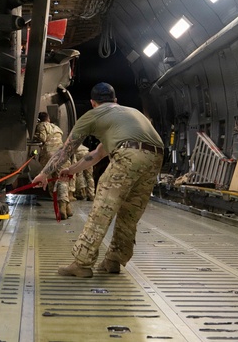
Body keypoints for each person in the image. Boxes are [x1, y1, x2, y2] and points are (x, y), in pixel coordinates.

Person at [31, 82, 163, 278]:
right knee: (130, 211)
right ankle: (114, 260)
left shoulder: (92, 115)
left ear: (93, 103)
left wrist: (44, 173)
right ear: (115, 101)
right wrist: (71, 170)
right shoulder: (130, 113)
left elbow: (66, 149)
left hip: (128, 154)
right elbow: (97, 154)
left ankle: (82, 263)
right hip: (156, 156)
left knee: (102, 209)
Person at [33, 111, 71, 219]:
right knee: (62, 179)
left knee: (51, 181)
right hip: (62, 153)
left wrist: (33, 136)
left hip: (49, 156)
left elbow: (42, 138)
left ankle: (61, 208)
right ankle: (66, 207)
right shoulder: (57, 127)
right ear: (48, 118)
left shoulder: (41, 125)